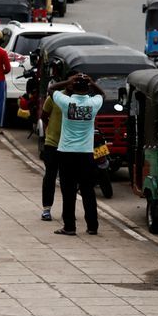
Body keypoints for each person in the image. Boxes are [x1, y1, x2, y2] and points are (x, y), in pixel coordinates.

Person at [52, 73, 104, 236]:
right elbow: (102, 95)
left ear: (72, 87)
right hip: (86, 153)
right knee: (88, 191)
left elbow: (51, 89)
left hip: (66, 152)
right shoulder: (93, 104)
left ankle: (69, 227)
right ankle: (92, 226)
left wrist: (68, 81)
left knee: (68, 191)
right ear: (87, 88)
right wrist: (92, 82)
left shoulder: (66, 102)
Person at [39, 79, 69, 222]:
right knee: (50, 176)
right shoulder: (56, 97)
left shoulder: (80, 100)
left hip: (69, 146)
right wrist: (50, 131)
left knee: (67, 179)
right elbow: (44, 116)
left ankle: (67, 210)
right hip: (52, 143)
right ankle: (46, 209)